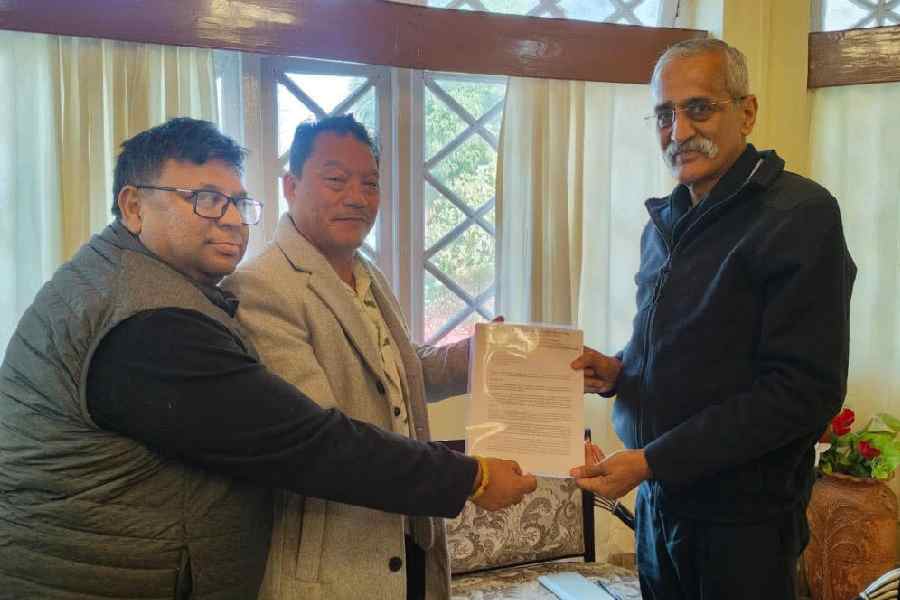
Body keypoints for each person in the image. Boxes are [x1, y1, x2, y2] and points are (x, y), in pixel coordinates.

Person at [0, 117, 536, 600]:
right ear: (134, 206)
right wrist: (471, 477)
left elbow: (389, 374)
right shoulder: (153, 318)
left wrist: (472, 360)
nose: (232, 220)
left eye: (236, 202)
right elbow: (306, 440)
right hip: (103, 575)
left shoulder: (165, 286)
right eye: (206, 198)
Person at [569, 39, 856, 600]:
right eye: (663, 115)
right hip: (658, 507)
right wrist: (620, 371)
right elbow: (689, 347)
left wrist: (652, 459)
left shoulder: (799, 215)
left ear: (746, 113)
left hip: (741, 525)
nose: (678, 132)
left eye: (698, 108)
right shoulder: (666, 220)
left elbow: (801, 391)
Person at [222, 115, 477, 600]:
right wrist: (472, 476)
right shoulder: (260, 287)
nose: (357, 197)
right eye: (336, 180)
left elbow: (401, 373)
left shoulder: (367, 275)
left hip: (410, 545)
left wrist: (475, 357)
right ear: (291, 185)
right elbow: (319, 439)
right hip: (337, 563)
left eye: (371, 184)